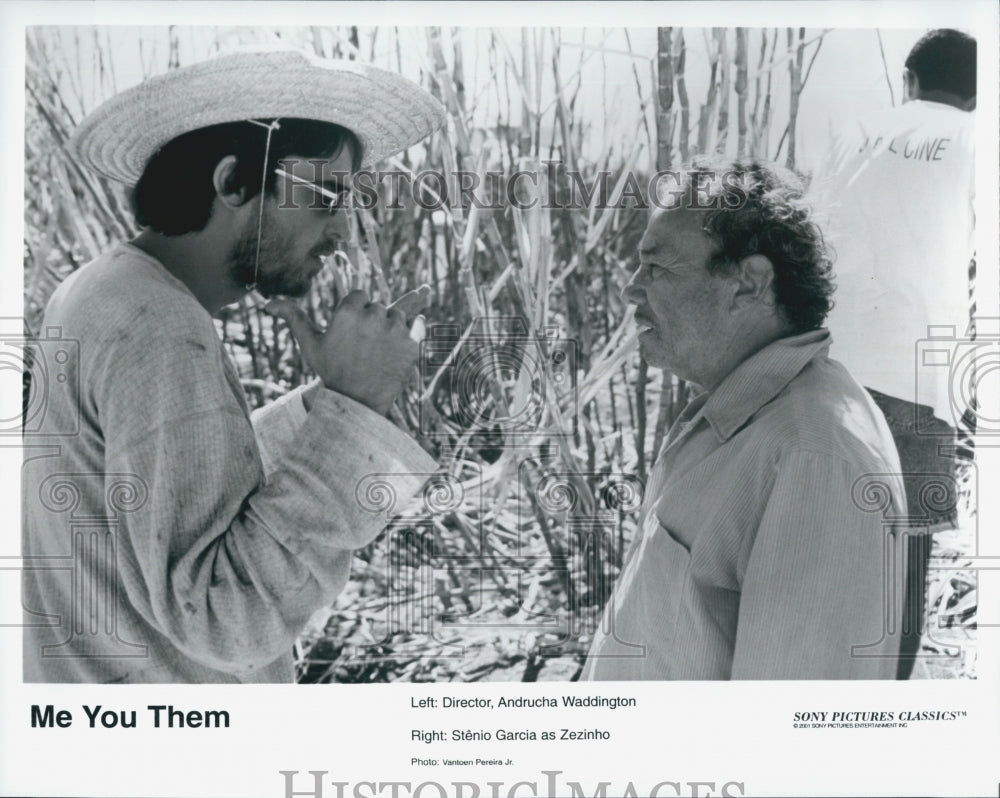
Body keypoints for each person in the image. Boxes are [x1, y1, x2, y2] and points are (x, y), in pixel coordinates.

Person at [21, 49, 445, 683]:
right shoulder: (156, 327)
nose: (342, 232)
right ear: (233, 182)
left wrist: (332, 401)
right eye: (326, 197)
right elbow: (228, 618)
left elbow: (178, 488)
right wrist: (353, 409)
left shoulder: (102, 291)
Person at [582, 159, 905, 680]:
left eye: (658, 268)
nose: (632, 289)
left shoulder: (812, 459)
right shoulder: (745, 418)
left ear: (749, 283)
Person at [810, 29, 976, 678]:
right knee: (907, 555)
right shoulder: (974, 142)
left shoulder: (850, 135)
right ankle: (886, 703)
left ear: (907, 80)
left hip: (825, 371)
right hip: (917, 373)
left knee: (829, 541)